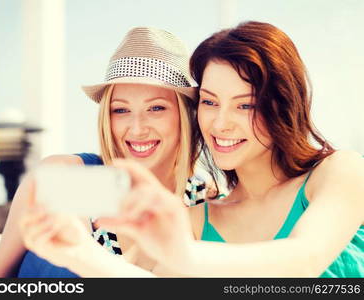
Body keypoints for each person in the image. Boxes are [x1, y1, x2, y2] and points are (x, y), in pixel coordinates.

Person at [19, 21, 363, 278]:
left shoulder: (340, 171)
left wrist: (184, 254)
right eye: (211, 102)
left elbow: (305, 259)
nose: (221, 123)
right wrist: (79, 254)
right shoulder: (194, 217)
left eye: (245, 105)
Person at [0, 26, 208, 278]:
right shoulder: (68, 178)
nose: (137, 128)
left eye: (156, 108)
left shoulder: (204, 204)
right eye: (120, 110)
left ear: (186, 114)